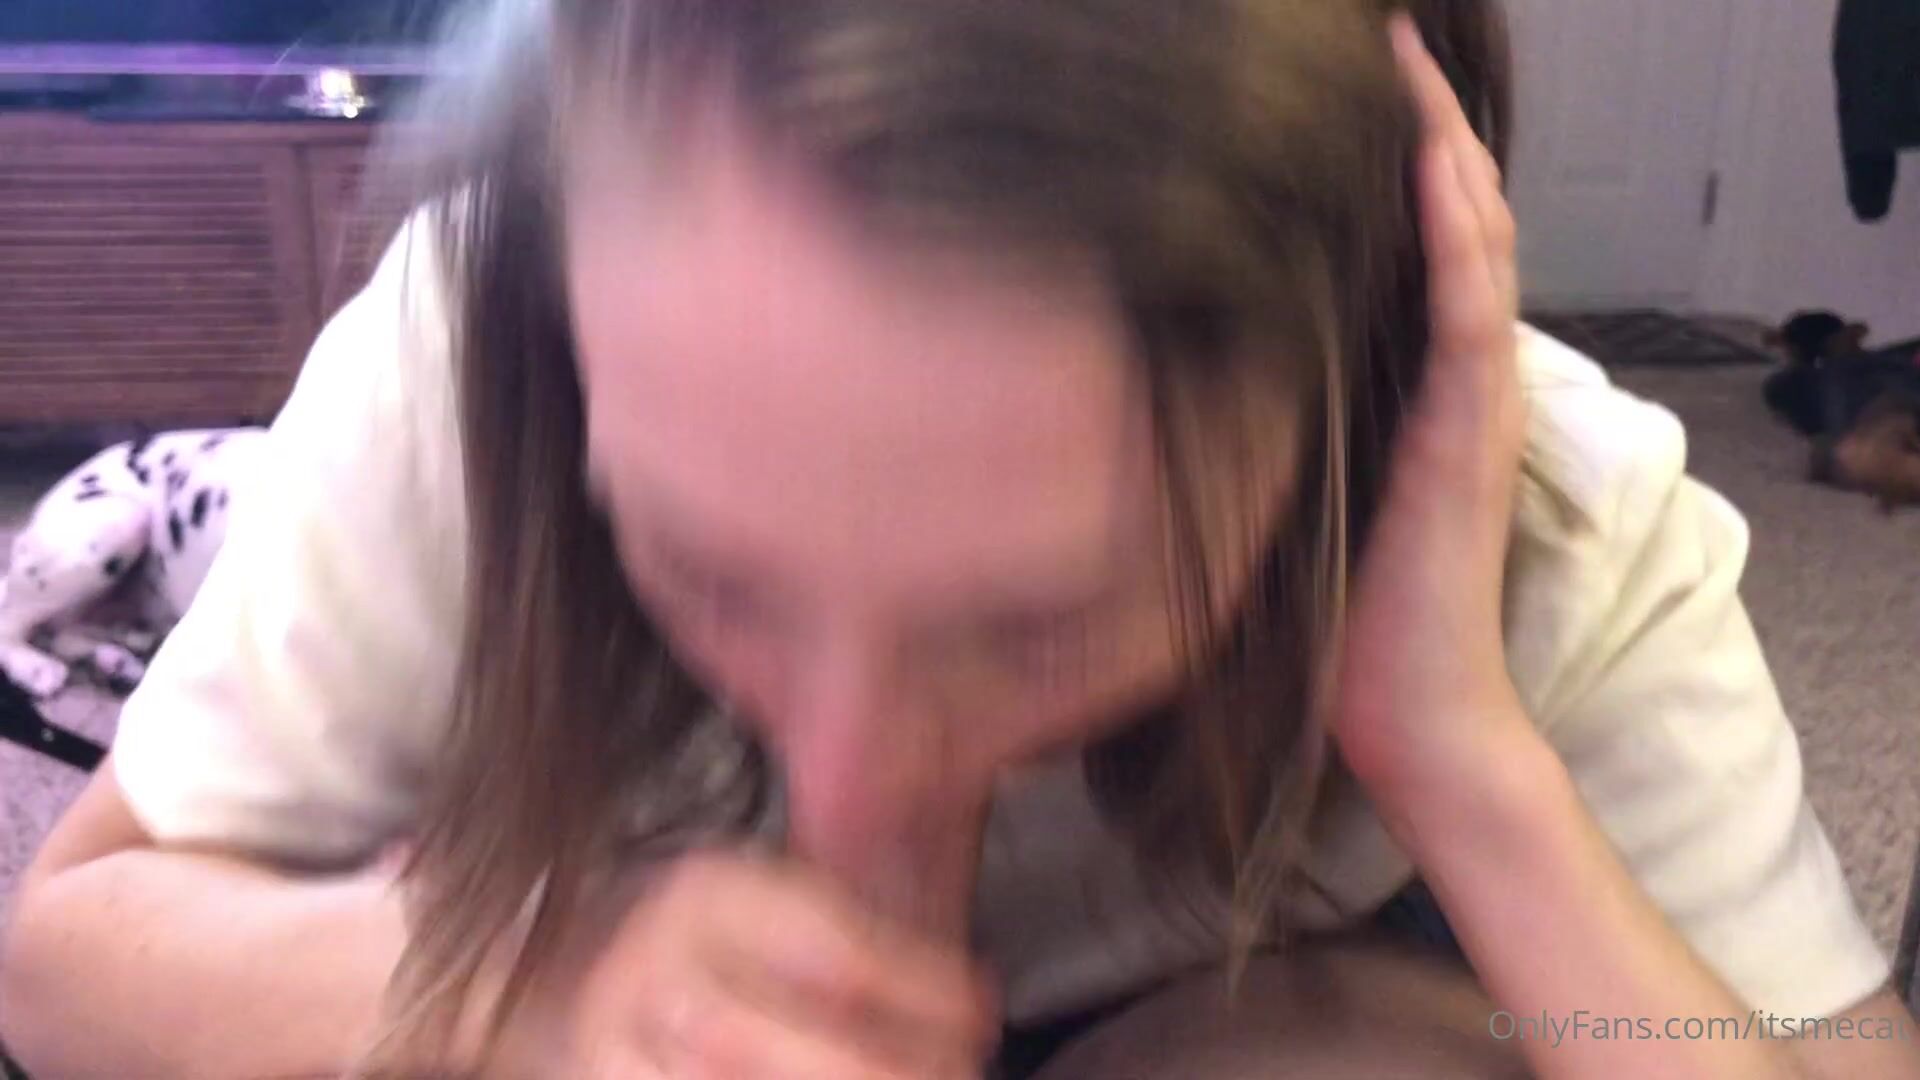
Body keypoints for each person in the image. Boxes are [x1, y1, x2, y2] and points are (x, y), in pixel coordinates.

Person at [2, 2, 1914, 1077]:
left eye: (1041, 621)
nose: (850, 786)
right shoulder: (464, 369)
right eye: (713, 576)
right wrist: (525, 986)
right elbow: (63, 961)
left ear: (1348, 422)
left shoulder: (1537, 506)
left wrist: (1466, 761)